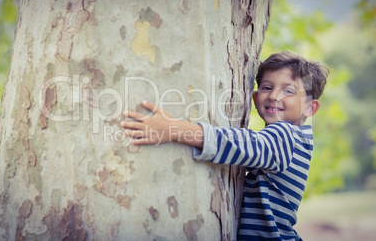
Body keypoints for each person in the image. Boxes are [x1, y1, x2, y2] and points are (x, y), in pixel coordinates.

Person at [120, 51, 329, 240]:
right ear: (255, 99)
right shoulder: (289, 141)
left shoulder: (287, 137)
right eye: (267, 87)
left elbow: (239, 144)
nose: (274, 96)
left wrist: (173, 129)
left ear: (310, 108)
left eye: (289, 91)